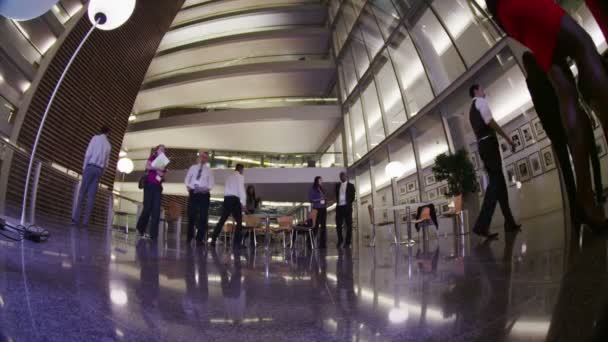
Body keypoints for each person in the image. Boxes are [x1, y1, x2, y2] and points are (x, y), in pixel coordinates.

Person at [487, 0, 608, 227]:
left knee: (564, 88)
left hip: (507, 16)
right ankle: (586, 202)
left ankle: (586, 203)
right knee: (584, 45)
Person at [522, 52, 603, 224]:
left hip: (552, 129)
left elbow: (540, 108)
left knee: (566, 168)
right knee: (579, 159)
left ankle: (575, 209)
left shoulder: (529, 82)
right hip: (561, 122)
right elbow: (558, 95)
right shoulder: (544, 73)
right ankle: (586, 201)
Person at [468, 84, 521, 239]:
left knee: (500, 183)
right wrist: (507, 138)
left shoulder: (472, 109)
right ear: (476, 91)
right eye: (482, 89)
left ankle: (509, 222)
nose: (484, 92)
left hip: (483, 146)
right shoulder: (481, 102)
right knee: (496, 183)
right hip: (489, 145)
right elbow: (490, 121)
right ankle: (481, 225)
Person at [72, 126, 112, 228]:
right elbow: (106, 163)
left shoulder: (95, 138)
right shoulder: (108, 145)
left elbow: (88, 153)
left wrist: (84, 167)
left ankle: (76, 219)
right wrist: (101, 172)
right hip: (99, 170)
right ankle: (85, 222)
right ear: (108, 133)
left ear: (100, 131)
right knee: (91, 196)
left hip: (90, 166)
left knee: (82, 193)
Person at [210, 164, 247, 248]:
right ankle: (236, 243)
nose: (242, 172)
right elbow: (241, 190)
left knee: (222, 220)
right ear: (241, 169)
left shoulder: (229, 177)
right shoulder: (240, 177)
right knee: (239, 222)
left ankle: (213, 239)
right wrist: (243, 203)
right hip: (235, 200)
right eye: (242, 170)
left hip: (227, 199)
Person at [136, 145, 167, 240]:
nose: (162, 150)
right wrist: (156, 168)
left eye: (164, 149)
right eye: (161, 149)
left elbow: (162, 173)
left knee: (156, 210)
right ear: (157, 150)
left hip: (157, 186)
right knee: (147, 207)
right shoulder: (152, 157)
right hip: (149, 185)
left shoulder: (164, 160)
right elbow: (147, 166)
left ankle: (154, 235)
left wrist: (159, 171)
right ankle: (140, 228)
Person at [184, 151, 214, 244]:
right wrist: (188, 187)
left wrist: (205, 189)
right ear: (199, 157)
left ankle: (199, 239)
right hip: (194, 193)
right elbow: (187, 179)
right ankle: (190, 236)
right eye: (202, 157)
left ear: (207, 159)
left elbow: (211, 184)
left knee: (203, 217)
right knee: (191, 215)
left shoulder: (209, 170)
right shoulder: (193, 168)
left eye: (205, 157)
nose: (203, 159)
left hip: (204, 195)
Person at [334, 172, 355, 249]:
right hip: (339, 207)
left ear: (346, 176)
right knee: (338, 225)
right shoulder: (337, 185)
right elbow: (337, 195)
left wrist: (348, 203)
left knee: (349, 225)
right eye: (340, 176)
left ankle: (348, 242)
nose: (342, 177)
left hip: (347, 207)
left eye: (343, 176)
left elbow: (353, 197)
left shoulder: (351, 186)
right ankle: (340, 240)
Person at [309, 176, 328, 249]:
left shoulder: (321, 189)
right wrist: (319, 199)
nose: (322, 181)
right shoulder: (312, 189)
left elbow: (323, 199)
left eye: (322, 180)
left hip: (323, 209)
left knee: (323, 226)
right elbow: (311, 199)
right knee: (315, 226)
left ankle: (322, 244)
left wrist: (325, 200)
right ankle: (310, 242)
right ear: (317, 181)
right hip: (316, 209)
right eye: (320, 180)